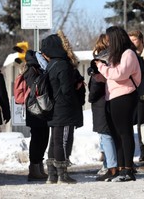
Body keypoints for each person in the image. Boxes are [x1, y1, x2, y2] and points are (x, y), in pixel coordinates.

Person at [95, 26, 141, 182]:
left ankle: (128, 169)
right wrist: (98, 74)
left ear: (115, 39)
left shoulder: (129, 54)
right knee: (116, 135)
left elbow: (120, 74)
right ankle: (121, 169)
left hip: (125, 97)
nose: (107, 43)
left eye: (109, 40)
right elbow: (111, 75)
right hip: (113, 97)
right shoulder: (117, 55)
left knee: (124, 133)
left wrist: (101, 66)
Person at [41, 31, 84, 184]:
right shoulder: (63, 65)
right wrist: (77, 86)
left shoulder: (50, 65)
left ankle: (52, 175)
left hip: (53, 108)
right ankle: (62, 175)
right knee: (63, 141)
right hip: (64, 108)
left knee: (54, 141)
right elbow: (66, 90)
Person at [88, 34, 118, 181]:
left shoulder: (100, 62)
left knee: (105, 136)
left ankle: (111, 166)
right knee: (108, 135)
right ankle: (111, 164)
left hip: (101, 102)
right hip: (110, 100)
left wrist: (90, 97)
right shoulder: (115, 59)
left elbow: (96, 84)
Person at [23, 50, 50, 181]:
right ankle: (34, 168)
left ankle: (39, 166)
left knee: (44, 137)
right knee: (37, 138)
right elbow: (36, 86)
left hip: (41, 108)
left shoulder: (39, 68)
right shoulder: (32, 69)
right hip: (34, 109)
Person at [128, 30, 144, 163]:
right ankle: (143, 152)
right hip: (135, 94)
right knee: (137, 123)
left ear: (141, 40)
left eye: (134, 40)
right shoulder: (130, 55)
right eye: (130, 40)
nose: (132, 43)